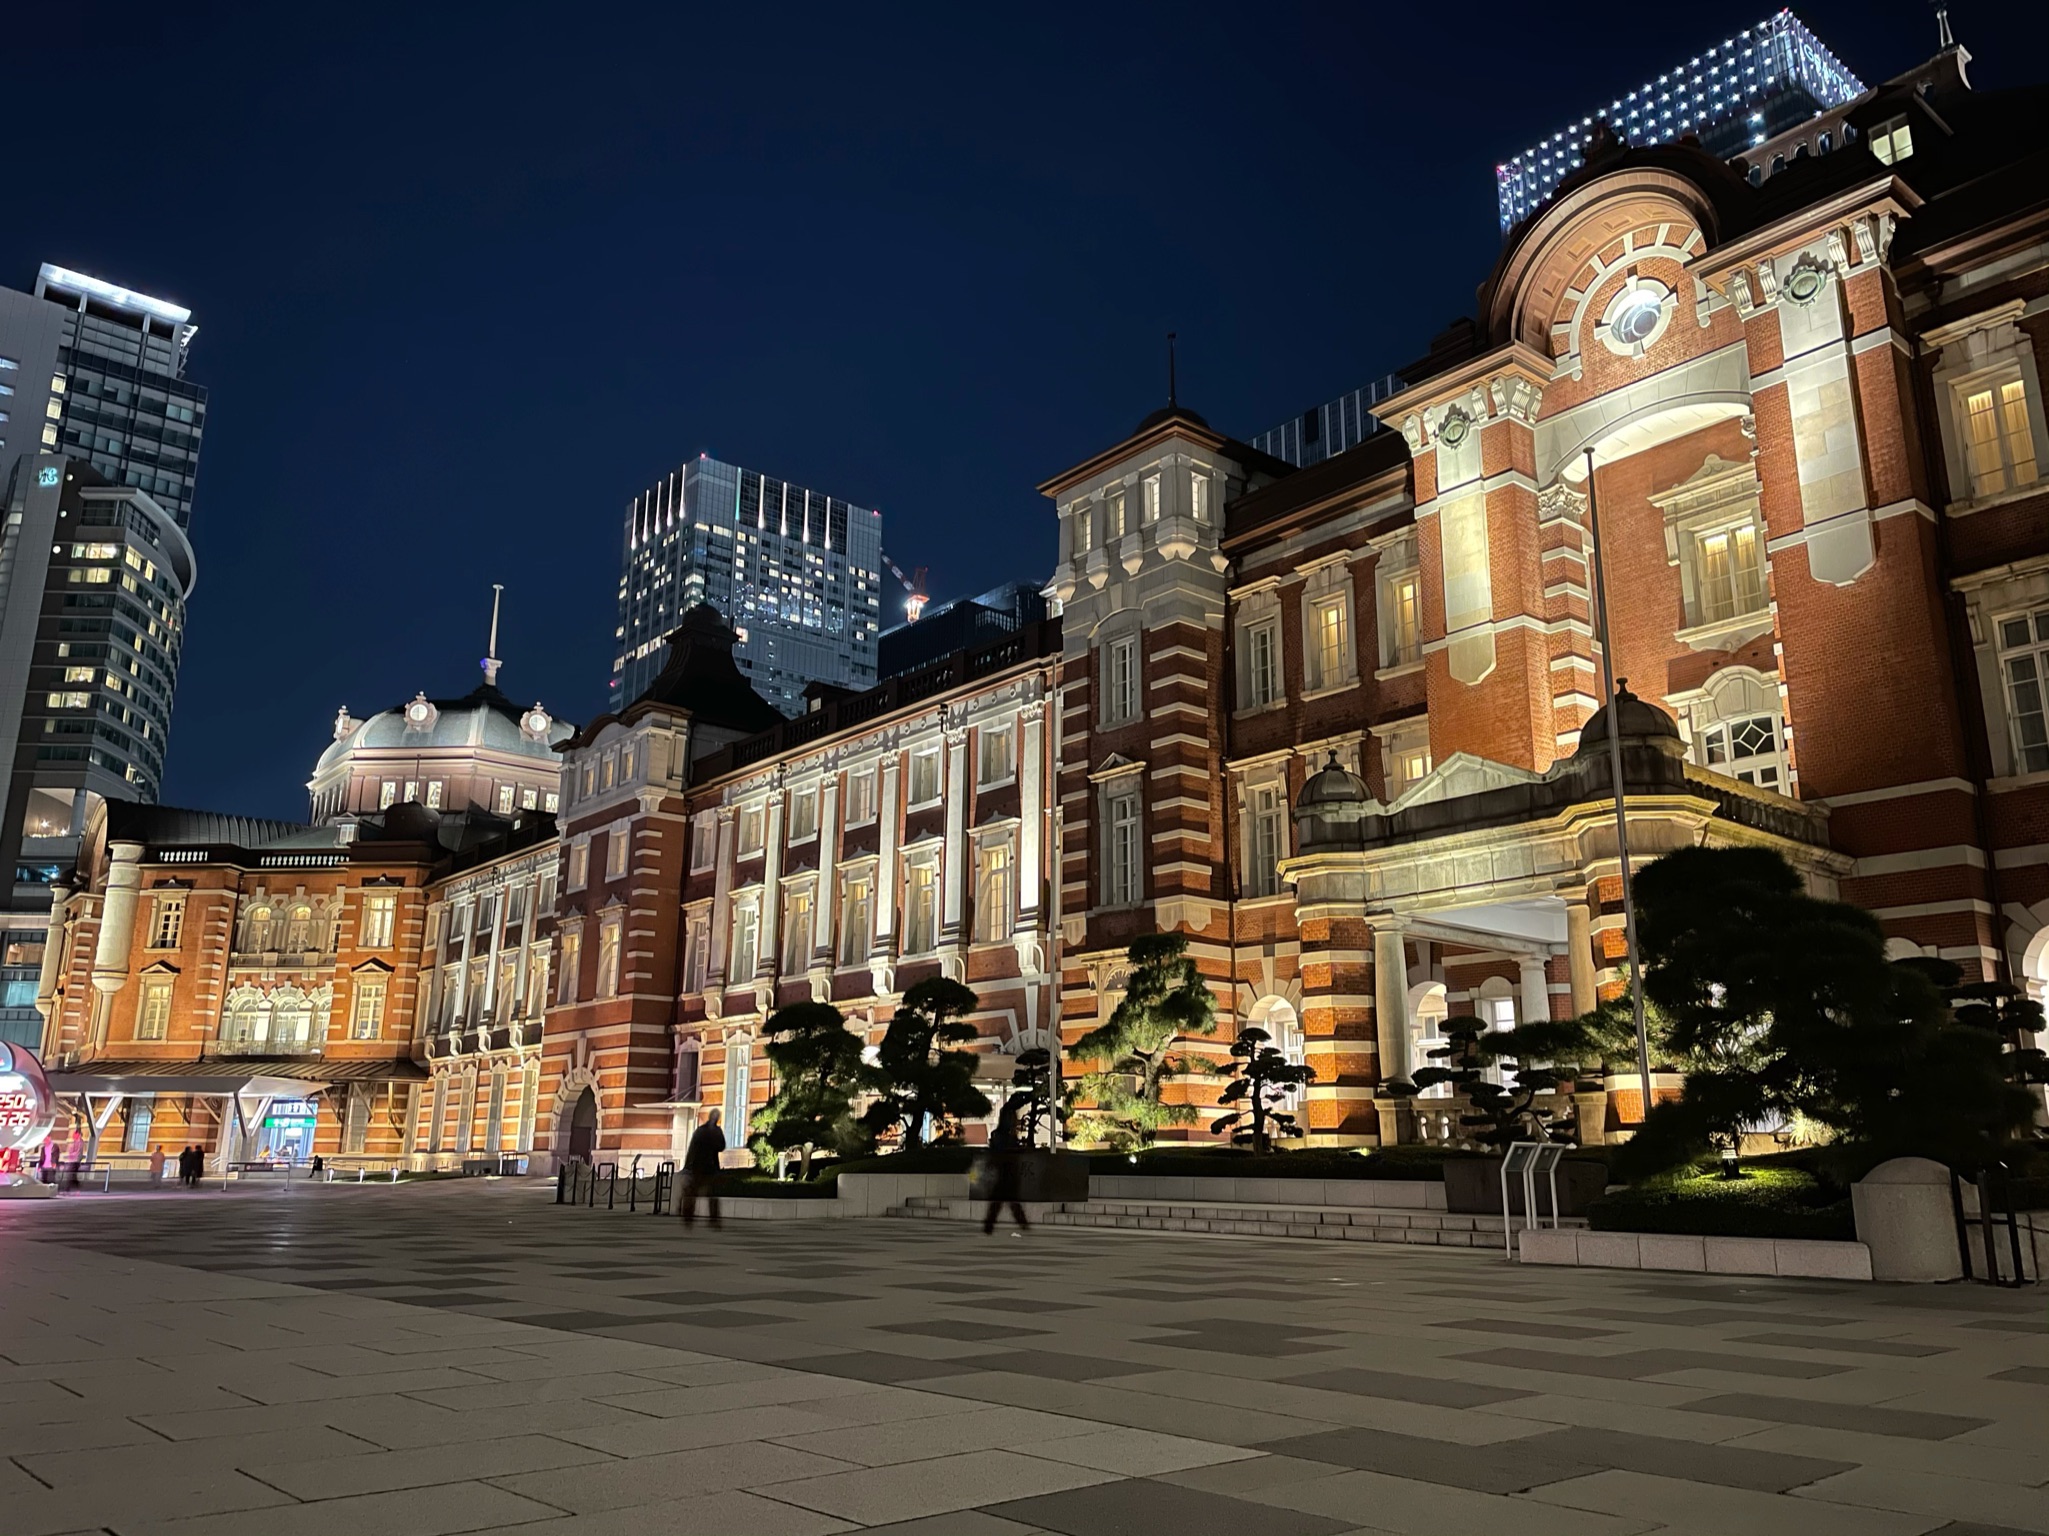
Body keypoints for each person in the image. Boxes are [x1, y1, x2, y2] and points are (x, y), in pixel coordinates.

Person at [981, 1095, 1030, 1235]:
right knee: (1008, 1200)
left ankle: (990, 1226)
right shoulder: (1005, 1136)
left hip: (1003, 1172)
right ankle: (1022, 1225)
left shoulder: (1001, 1134)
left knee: (1002, 1201)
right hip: (1005, 1172)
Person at [679, 1109, 726, 1229]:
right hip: (703, 1166)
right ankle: (692, 1218)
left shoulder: (706, 1131)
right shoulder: (706, 1131)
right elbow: (694, 1149)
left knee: (708, 1194)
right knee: (700, 1193)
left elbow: (720, 1146)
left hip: (704, 1167)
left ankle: (705, 1219)